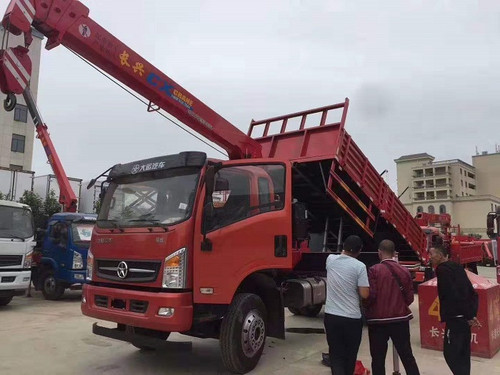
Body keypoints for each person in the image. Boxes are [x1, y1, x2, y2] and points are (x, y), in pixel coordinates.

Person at [364, 239, 420, 375]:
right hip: (400, 319)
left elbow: (370, 295)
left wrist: (367, 308)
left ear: (379, 253)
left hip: (378, 321)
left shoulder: (374, 270)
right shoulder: (404, 271)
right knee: (407, 356)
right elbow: (410, 297)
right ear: (394, 253)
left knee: (378, 359)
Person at [430, 245, 481, 375]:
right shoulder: (458, 267)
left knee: (450, 354)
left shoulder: (442, 270)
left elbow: (452, 294)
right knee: (464, 355)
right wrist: (471, 314)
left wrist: (465, 314)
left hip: (455, 320)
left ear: (441, 256)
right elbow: (472, 293)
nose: (430, 258)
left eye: (432, 254)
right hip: (464, 320)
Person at [324, 234, 369, 375]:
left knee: (336, 354)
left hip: (331, 316)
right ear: (359, 250)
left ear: (343, 246)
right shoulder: (360, 266)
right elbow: (364, 294)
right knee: (350, 356)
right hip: (351, 319)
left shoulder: (330, 260)